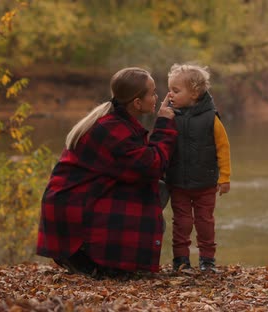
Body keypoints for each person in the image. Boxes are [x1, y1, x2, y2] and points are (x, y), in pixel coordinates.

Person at [36, 67, 178, 279]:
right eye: (152, 92)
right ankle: (83, 257)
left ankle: (97, 258)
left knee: (152, 192)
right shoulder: (112, 128)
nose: (157, 97)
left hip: (72, 203)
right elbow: (152, 166)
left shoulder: (116, 121)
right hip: (72, 208)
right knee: (151, 193)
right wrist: (165, 125)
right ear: (137, 103)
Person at [165, 64, 231, 273]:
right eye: (170, 90)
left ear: (194, 93)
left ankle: (207, 260)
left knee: (205, 222)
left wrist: (225, 177)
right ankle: (181, 260)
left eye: (176, 91)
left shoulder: (211, 118)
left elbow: (223, 148)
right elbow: (162, 145)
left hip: (205, 183)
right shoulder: (170, 117)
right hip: (178, 182)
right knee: (181, 223)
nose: (170, 95)